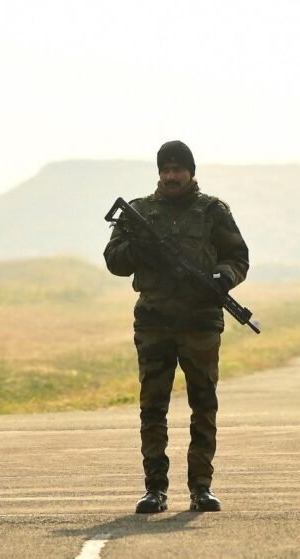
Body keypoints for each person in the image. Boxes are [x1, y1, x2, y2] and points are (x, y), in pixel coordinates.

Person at [103, 140, 249, 513]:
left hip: (200, 322)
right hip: (154, 323)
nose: (171, 176)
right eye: (165, 170)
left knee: (204, 403)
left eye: (178, 169)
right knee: (153, 407)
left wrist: (224, 276)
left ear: (191, 172)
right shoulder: (139, 213)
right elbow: (114, 260)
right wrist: (139, 249)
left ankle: (201, 487)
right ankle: (155, 489)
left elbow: (238, 257)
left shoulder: (213, 212)